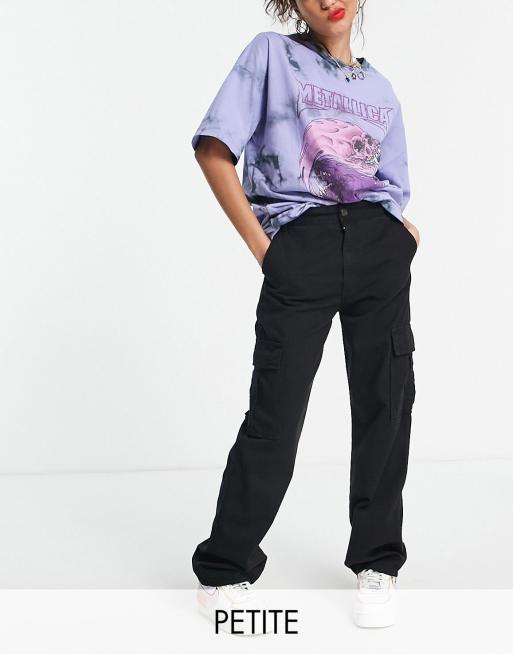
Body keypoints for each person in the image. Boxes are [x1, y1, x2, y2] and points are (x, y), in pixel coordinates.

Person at [190, 0, 420, 633]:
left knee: (386, 403)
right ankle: (226, 567)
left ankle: (377, 561)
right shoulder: (271, 55)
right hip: (302, 245)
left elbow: (391, 185)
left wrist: (400, 236)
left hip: (377, 249)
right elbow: (214, 149)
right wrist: (268, 251)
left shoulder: (381, 89)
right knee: (276, 411)